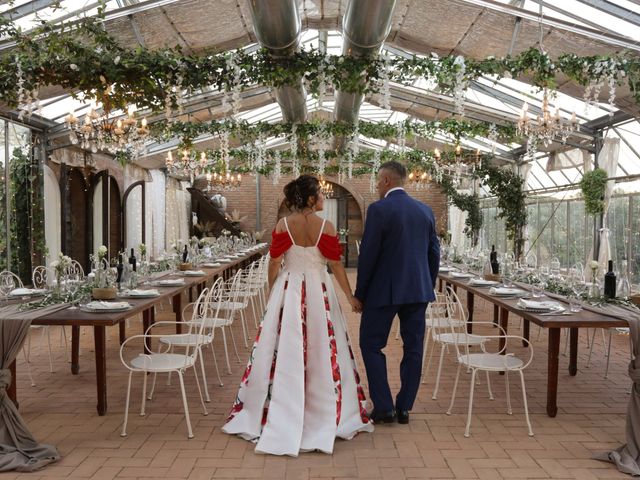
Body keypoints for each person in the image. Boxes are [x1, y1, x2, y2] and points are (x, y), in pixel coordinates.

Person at [223, 174, 373, 456]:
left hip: (289, 287)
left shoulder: (283, 225)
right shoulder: (326, 226)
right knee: (321, 345)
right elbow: (336, 266)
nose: (324, 197)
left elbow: (275, 261)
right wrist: (350, 296)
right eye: (321, 194)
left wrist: (272, 290)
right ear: (311, 198)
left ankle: (279, 402)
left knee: (284, 343)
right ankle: (322, 404)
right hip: (319, 289)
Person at [354, 161, 440, 425]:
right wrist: (427, 284)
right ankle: (404, 408)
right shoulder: (425, 211)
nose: (377, 187)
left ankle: (384, 407)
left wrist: (361, 293)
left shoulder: (379, 210)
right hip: (418, 291)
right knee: (414, 347)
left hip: (383, 292)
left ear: (387, 181)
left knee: (370, 344)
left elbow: (368, 255)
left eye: (378, 182)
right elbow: (434, 254)